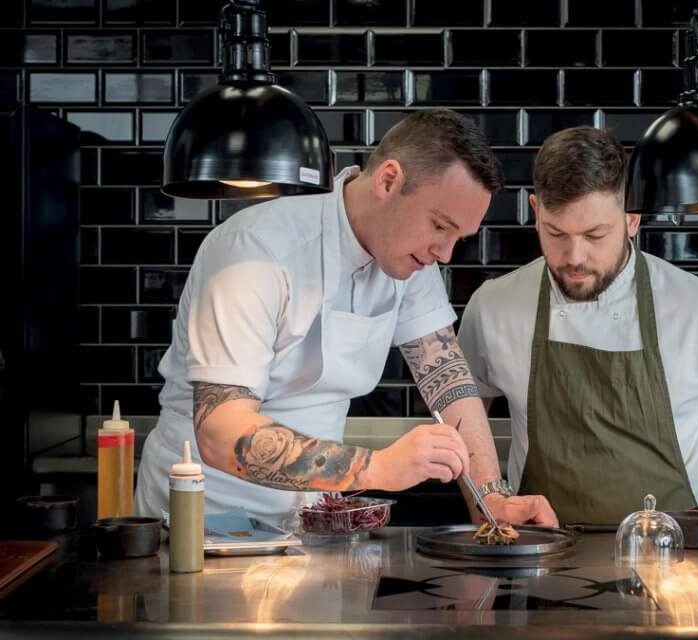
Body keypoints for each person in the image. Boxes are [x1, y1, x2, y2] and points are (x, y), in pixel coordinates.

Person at [136, 109, 557, 527]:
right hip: (206, 517)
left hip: (311, 519)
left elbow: (447, 379)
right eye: (439, 226)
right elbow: (220, 432)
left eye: (457, 238)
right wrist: (378, 468)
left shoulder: (411, 260)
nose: (445, 255)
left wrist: (491, 501)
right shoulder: (256, 250)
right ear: (388, 181)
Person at [457, 126, 698, 526]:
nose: (574, 256)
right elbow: (461, 418)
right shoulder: (493, 306)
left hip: (675, 571)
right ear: (535, 210)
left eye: (596, 234)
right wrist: (486, 512)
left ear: (632, 218)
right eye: (556, 233)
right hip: (539, 563)